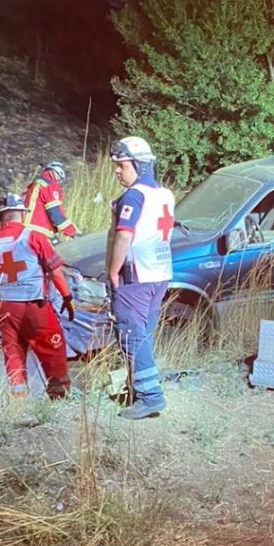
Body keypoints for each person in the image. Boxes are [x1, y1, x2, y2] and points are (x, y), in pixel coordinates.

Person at [0, 192, 76, 399]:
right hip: (35, 305)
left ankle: (18, 400)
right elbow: (55, 272)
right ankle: (60, 395)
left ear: (0, 217)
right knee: (53, 347)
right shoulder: (33, 237)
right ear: (22, 214)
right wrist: (67, 298)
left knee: (12, 351)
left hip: (5, 306)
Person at [107, 136, 175, 420]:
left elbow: (124, 235)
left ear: (138, 164)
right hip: (160, 274)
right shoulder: (166, 194)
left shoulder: (134, 195)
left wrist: (112, 270)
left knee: (131, 334)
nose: (117, 172)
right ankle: (140, 388)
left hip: (135, 276)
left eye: (121, 165)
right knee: (144, 334)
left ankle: (150, 396)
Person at [22, 160, 79, 241]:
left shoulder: (33, 185)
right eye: (60, 180)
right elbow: (56, 214)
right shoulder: (50, 185)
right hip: (40, 231)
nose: (59, 183)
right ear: (57, 173)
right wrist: (73, 232)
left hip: (25, 230)